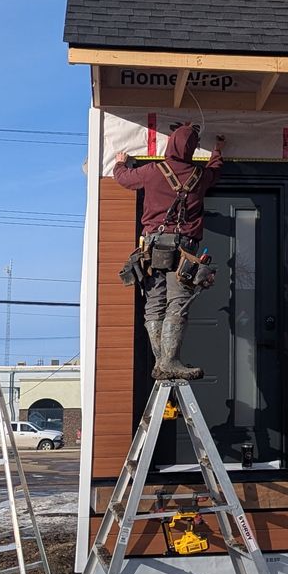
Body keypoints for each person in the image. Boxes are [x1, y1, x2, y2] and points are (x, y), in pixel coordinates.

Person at [113, 123, 221, 381]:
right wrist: (218, 150)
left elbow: (124, 179)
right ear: (192, 149)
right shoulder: (199, 175)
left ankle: (162, 361)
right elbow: (216, 171)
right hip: (184, 251)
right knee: (178, 302)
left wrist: (120, 163)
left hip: (152, 248)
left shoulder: (152, 171)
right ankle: (168, 361)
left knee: (155, 303)